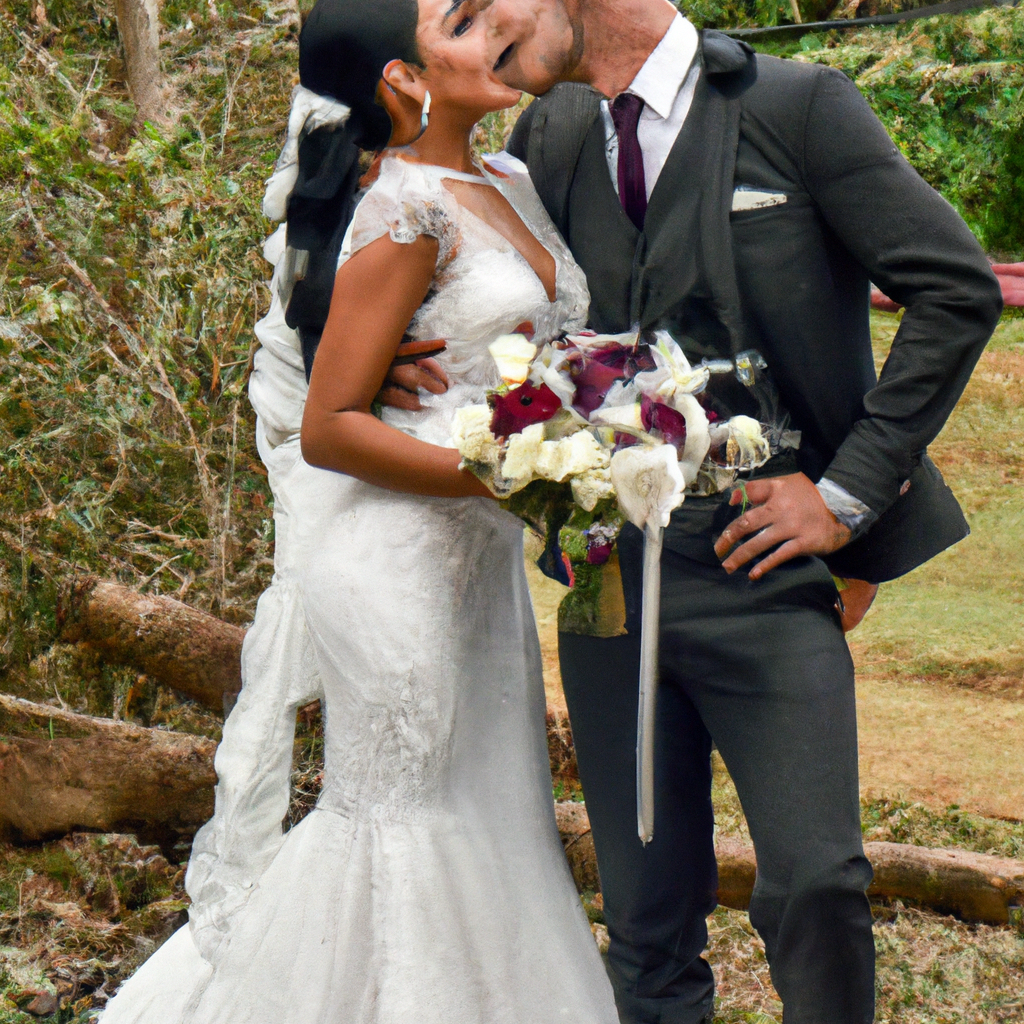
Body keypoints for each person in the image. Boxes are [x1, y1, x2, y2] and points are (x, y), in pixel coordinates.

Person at [382, 2, 1003, 1022]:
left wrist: (844, 495)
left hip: (766, 566)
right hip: (602, 571)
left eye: (495, 6)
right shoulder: (554, 132)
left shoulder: (800, 109)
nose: (482, 30)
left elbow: (954, 289)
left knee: (815, 884)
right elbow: (486, 284)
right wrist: (385, 353)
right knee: (642, 915)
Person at [97, 0, 620, 1021]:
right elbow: (332, 425)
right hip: (391, 563)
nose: (495, 27)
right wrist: (511, 477)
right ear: (400, 81)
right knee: (400, 819)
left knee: (489, 813)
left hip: (477, 568)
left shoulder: (504, 178)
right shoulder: (402, 207)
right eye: (461, 23)